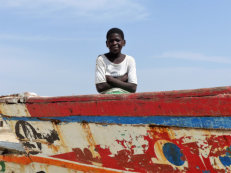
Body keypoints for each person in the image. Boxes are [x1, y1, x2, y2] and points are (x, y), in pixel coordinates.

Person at [95, 28, 137, 94]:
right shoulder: (101, 59)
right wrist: (122, 80)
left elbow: (133, 87)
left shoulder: (129, 60)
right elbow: (100, 87)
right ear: (107, 43)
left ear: (124, 42)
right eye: (111, 41)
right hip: (106, 100)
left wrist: (111, 80)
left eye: (117, 40)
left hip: (125, 99)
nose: (114, 43)